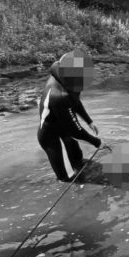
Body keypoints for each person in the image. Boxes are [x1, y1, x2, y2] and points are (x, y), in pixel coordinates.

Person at [38, 50, 104, 182]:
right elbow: (75, 131)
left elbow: (74, 101)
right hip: (53, 138)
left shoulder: (67, 79)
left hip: (65, 128)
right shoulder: (59, 96)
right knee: (67, 179)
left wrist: (89, 121)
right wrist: (98, 143)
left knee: (78, 160)